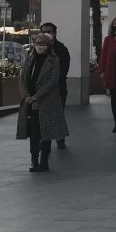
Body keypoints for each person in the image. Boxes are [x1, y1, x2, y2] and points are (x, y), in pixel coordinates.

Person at [16, 33, 69, 172]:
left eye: (43, 44)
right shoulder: (30, 58)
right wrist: (26, 96)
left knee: (46, 132)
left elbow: (52, 81)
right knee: (34, 133)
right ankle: (34, 160)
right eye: (38, 43)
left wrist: (36, 97)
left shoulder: (54, 59)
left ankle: (44, 161)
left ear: (49, 46)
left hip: (47, 102)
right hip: (30, 103)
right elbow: (22, 77)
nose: (40, 46)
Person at [39, 22, 70, 150]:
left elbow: (63, 71)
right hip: (41, 90)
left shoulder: (62, 50)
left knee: (58, 115)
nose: (46, 34)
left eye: (49, 31)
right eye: (43, 31)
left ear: (55, 33)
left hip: (58, 89)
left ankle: (60, 139)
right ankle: (45, 140)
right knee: (43, 117)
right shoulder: (37, 48)